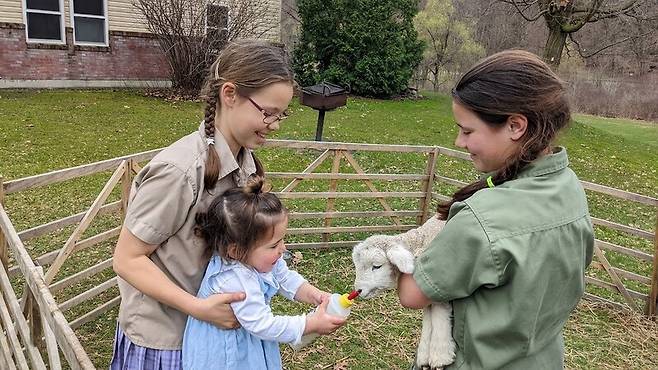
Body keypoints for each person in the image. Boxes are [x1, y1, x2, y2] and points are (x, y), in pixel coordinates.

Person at [397, 50, 594, 369]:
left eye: (467, 130)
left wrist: (403, 248)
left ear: (515, 126)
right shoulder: (569, 188)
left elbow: (412, 294)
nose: (459, 142)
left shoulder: (481, 219)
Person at [111, 39, 296, 369]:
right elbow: (127, 259)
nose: (276, 125)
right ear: (229, 94)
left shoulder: (247, 166)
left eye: (282, 114)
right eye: (268, 113)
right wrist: (198, 308)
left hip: (211, 338)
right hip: (167, 339)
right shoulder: (179, 172)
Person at [182, 177, 345, 369]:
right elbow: (262, 324)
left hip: (248, 340)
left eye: (282, 240)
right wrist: (308, 324)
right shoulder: (235, 279)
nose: (283, 249)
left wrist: (314, 294)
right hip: (225, 352)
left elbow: (284, 278)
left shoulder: (257, 258)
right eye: (274, 245)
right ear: (235, 251)